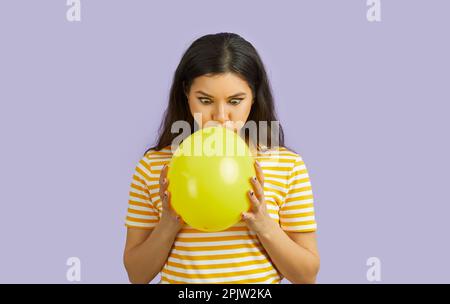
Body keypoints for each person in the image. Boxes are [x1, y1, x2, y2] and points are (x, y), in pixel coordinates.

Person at [123, 32, 320, 284]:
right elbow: (137, 275)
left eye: (235, 101)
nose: (221, 116)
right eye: (205, 100)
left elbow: (307, 276)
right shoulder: (154, 167)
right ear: (186, 92)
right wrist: (168, 222)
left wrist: (263, 224)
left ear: (253, 96)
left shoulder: (287, 166)